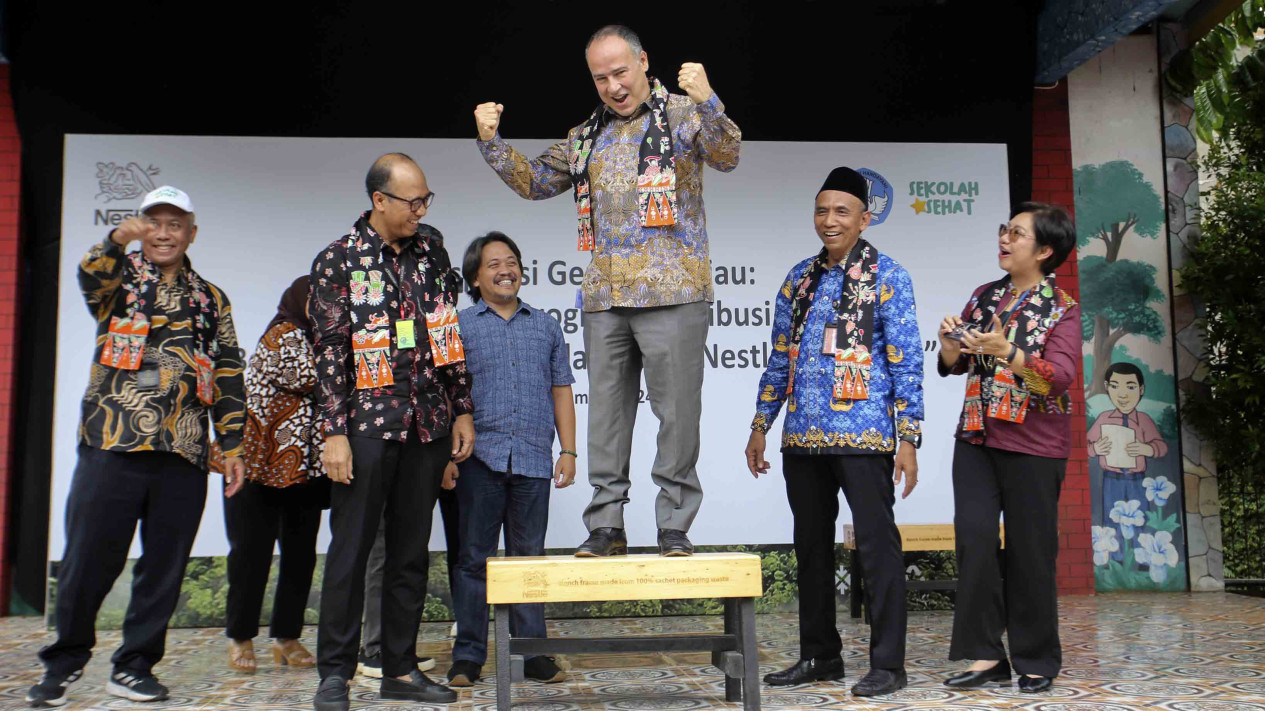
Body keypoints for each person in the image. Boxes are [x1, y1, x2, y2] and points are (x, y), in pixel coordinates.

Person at [473, 24, 741, 557]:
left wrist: (709, 98)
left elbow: (727, 153)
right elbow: (534, 182)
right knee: (608, 416)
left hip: (674, 290)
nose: (613, 86)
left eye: (621, 72)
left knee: (676, 414)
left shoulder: (685, 116)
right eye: (601, 78)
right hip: (605, 298)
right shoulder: (585, 136)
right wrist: (491, 143)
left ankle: (674, 526)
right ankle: (606, 526)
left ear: (643, 62)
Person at [28, 186, 247, 707]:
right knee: (86, 561)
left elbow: (229, 369)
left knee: (163, 569)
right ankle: (63, 663)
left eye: (176, 223)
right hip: (112, 442)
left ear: (191, 232)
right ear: (142, 229)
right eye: (156, 222)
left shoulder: (210, 297)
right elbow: (88, 272)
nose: (165, 232)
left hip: (184, 450)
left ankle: (133, 666)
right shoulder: (117, 278)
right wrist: (112, 239)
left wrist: (232, 443)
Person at [745, 168, 923, 698]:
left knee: (876, 550)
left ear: (865, 219)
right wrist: (761, 424)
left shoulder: (888, 276)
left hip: (866, 437)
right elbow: (780, 357)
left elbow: (908, 362)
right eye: (822, 210)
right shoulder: (798, 278)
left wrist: (908, 436)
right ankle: (820, 655)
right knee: (812, 549)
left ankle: (888, 664)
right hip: (802, 438)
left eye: (841, 211)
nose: (829, 220)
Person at [309, 153, 472, 710]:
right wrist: (332, 432)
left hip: (426, 424)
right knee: (351, 552)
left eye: (426, 200)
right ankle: (335, 673)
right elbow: (329, 352)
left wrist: (461, 408)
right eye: (412, 201)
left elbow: (448, 335)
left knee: (409, 555)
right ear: (379, 200)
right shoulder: (338, 261)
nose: (420, 211)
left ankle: (400, 668)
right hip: (365, 427)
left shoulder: (433, 253)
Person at [937, 203, 1079, 694]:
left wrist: (1012, 354)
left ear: (1044, 250)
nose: (1005, 239)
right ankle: (985, 657)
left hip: (1035, 446)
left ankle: (1036, 659)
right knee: (974, 542)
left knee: (1030, 553)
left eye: (1017, 234)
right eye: (1005, 230)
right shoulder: (985, 296)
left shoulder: (1063, 309)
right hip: (977, 437)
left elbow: (1058, 380)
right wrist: (951, 347)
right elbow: (958, 363)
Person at [445, 232, 577, 687]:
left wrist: (569, 450)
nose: (506, 270)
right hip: (477, 459)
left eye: (512, 261)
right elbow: (445, 395)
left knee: (529, 558)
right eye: (494, 263)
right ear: (475, 277)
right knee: (473, 560)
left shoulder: (545, 325)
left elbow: (561, 389)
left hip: (535, 459)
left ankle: (534, 655)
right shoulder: (459, 326)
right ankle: (467, 657)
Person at [221, 276, 329, 673]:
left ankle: (287, 638)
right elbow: (312, 379)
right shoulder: (284, 333)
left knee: (300, 557)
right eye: (317, 300)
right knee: (250, 556)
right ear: (299, 301)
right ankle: (240, 637)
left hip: (303, 470)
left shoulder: (325, 340)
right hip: (257, 465)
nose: (324, 307)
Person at [1088, 362, 1167, 544]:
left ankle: (1142, 562)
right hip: (1111, 478)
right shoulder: (1104, 418)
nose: (1123, 394)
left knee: (1140, 518)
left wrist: (1147, 449)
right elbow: (1085, 443)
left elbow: (1161, 446)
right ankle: (1114, 562)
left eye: (1130, 387)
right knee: (1111, 518)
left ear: (1141, 389)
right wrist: (1095, 449)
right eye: (1115, 386)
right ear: (1107, 388)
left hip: (1136, 479)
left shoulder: (1144, 420)